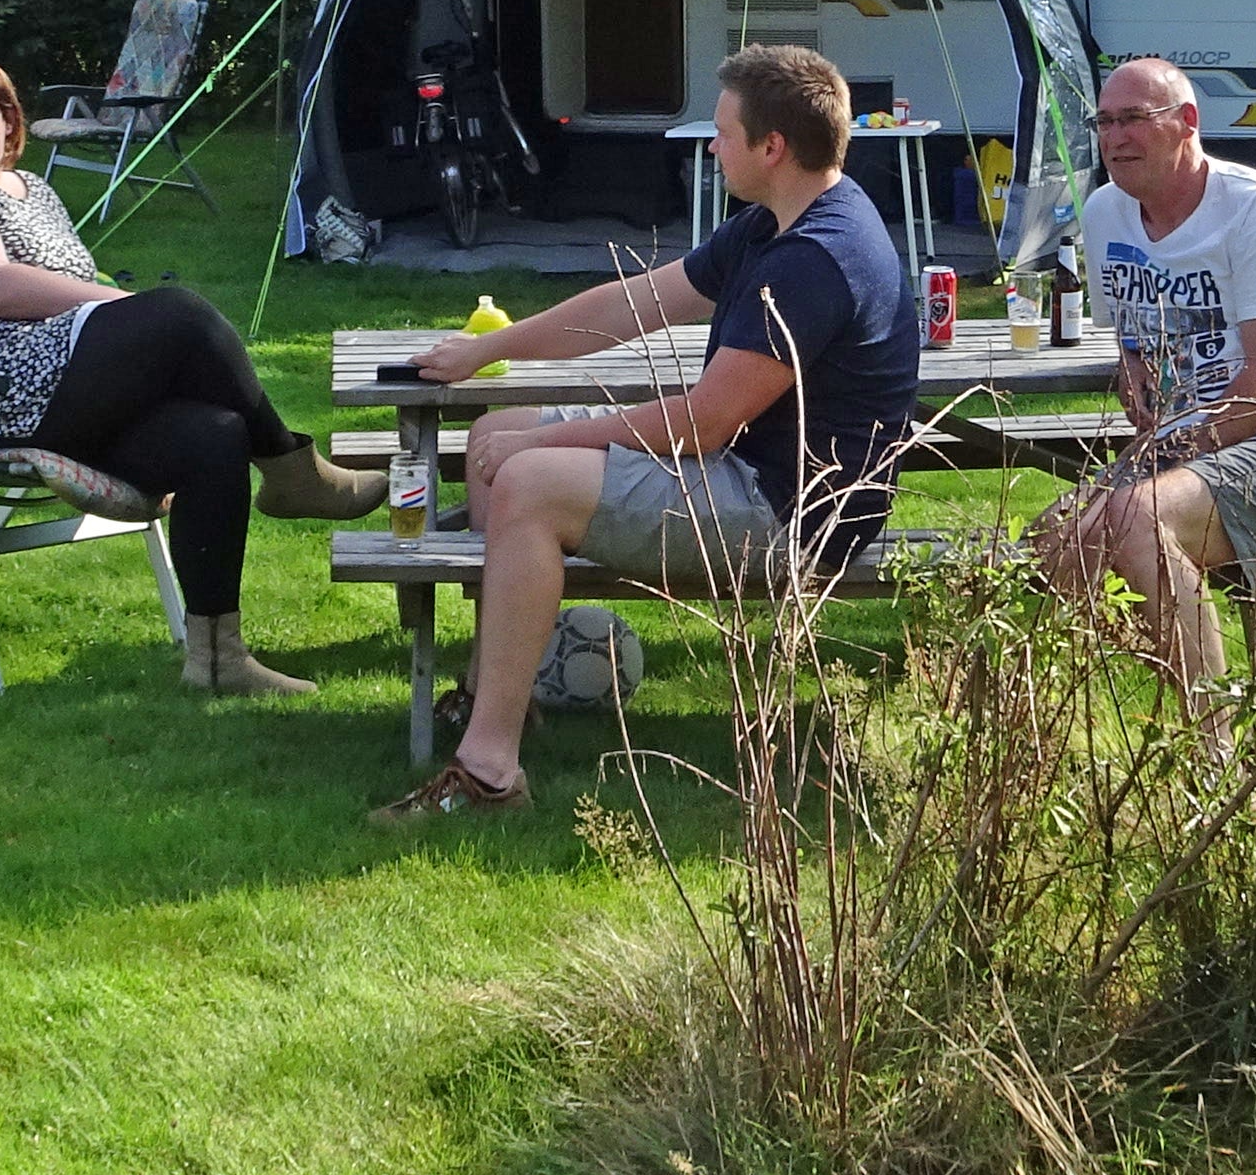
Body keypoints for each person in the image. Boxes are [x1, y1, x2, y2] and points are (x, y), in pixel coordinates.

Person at [374, 42, 920, 820]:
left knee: (525, 476)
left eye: (724, 132)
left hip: (796, 515)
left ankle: (488, 772)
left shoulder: (815, 258)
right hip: (749, 471)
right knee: (498, 432)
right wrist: (485, 349)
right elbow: (633, 306)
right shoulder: (774, 222)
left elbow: (703, 423)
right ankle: (502, 691)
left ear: (772, 147)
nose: (711, 146)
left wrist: (545, 445)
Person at [0, 51, 387, 698]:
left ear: (9, 123)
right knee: (180, 316)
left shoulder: (38, 194)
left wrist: (119, 322)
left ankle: (217, 661)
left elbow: (69, 288)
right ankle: (291, 469)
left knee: (215, 434)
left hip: (56, 388)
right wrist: (129, 311)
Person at [1036, 56, 1256, 698]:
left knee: (1134, 519)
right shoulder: (1108, 213)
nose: (1114, 138)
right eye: (1104, 122)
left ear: (1187, 122)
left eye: (1134, 119)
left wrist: (1164, 453)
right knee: (1058, 538)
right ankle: (1078, 726)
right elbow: (1133, 337)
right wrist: (1133, 370)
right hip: (1192, 447)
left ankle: (1210, 743)